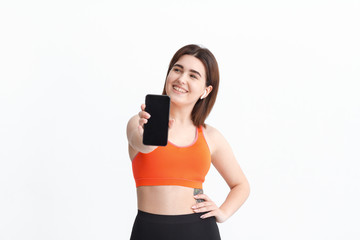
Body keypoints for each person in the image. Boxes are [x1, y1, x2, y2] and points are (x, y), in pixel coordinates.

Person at [126, 44, 250, 240]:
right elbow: (142, 144)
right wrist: (153, 133)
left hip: (199, 231)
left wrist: (223, 212)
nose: (181, 79)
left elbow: (241, 185)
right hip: (148, 231)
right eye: (177, 69)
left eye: (193, 75)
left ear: (206, 90)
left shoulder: (210, 136)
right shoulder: (139, 123)